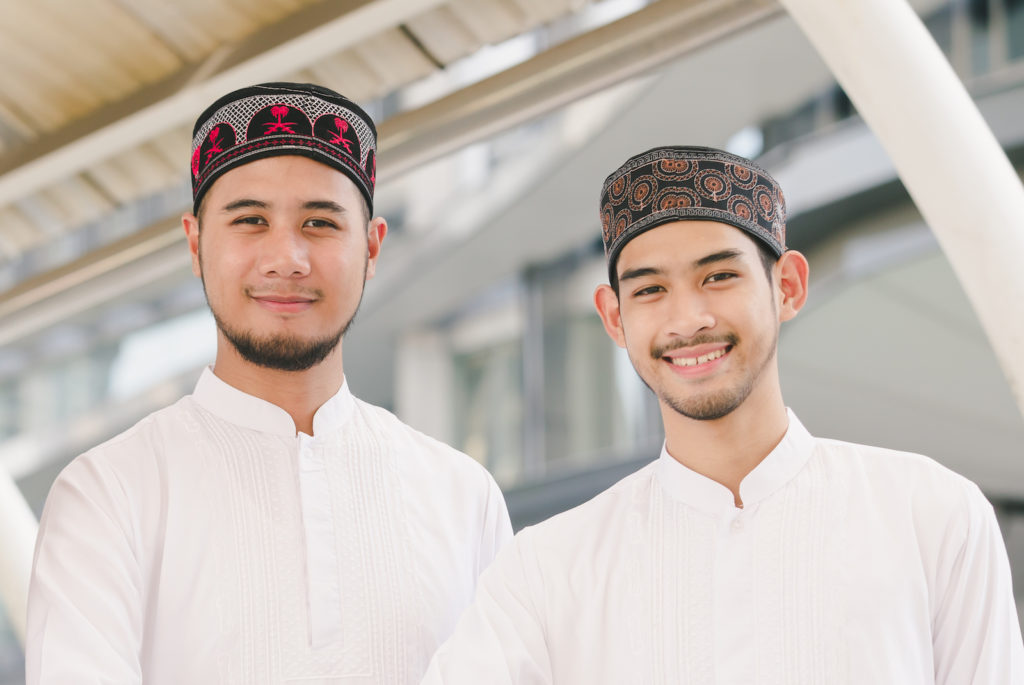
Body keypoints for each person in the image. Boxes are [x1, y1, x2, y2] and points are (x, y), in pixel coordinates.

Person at [421, 145, 1024, 684]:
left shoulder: (932, 516)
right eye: (650, 290)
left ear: (787, 285)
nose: (688, 320)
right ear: (613, 317)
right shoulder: (549, 571)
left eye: (719, 276)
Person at [25, 82, 512, 684]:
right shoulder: (108, 495)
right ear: (196, 244)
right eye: (250, 220)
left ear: (372, 246)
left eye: (320, 222)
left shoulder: (464, 499)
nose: (286, 258)